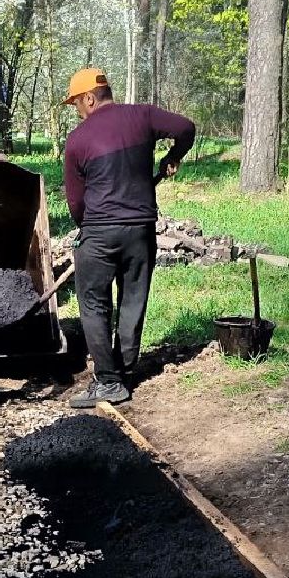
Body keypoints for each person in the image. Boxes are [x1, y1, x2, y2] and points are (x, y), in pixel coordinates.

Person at [61, 68, 196, 408]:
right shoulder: (144, 116)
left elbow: (76, 201)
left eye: (77, 103)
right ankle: (124, 369)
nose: (77, 110)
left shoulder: (78, 140)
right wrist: (172, 157)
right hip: (140, 230)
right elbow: (186, 128)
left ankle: (107, 381)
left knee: (93, 304)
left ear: (89, 98)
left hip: (100, 232)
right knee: (133, 297)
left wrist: (87, 229)